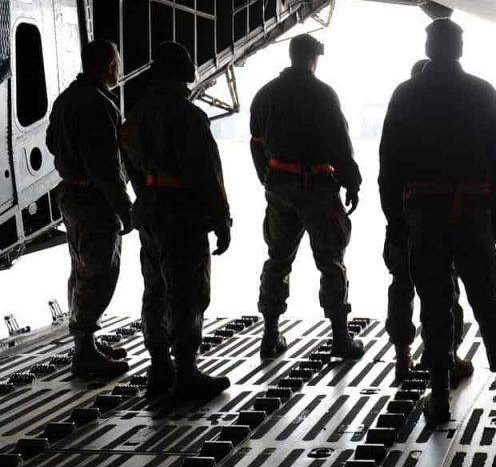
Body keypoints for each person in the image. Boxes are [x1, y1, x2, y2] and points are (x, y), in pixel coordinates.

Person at [379, 18, 496, 426]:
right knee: (487, 302)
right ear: (460, 48)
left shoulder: (406, 94)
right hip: (474, 214)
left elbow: (390, 164)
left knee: (434, 305)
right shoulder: (483, 92)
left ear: (428, 47)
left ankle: (440, 397)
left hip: (424, 216)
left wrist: (395, 220)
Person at [119, 42, 232, 399]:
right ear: (185, 76)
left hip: (150, 211)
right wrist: (221, 218)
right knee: (187, 292)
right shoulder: (188, 116)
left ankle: (159, 366)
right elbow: (206, 173)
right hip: (183, 214)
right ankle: (186, 372)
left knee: (154, 289)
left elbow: (130, 167)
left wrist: (148, 197)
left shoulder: (135, 116)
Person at [249, 33, 365, 361]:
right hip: (316, 188)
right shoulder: (322, 94)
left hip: (280, 188)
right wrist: (352, 183)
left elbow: (256, 144)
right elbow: (339, 144)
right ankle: (340, 337)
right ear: (313, 58)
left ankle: (270, 335)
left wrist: (269, 180)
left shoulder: (265, 94)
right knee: (331, 261)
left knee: (277, 260)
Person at [45, 40, 132, 378]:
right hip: (94, 201)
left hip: (72, 195)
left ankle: (86, 342)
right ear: (110, 65)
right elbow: (106, 167)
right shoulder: (98, 104)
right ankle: (84, 351)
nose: (120, 69)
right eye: (118, 63)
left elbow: (51, 142)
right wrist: (125, 209)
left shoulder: (66, 99)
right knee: (99, 271)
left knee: (81, 268)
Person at [384, 58, 472, 384]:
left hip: (405, 215)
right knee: (445, 288)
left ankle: (402, 355)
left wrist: (393, 219)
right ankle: (448, 355)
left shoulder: (401, 112)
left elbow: (386, 171)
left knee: (401, 285)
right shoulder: (448, 119)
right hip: (441, 217)